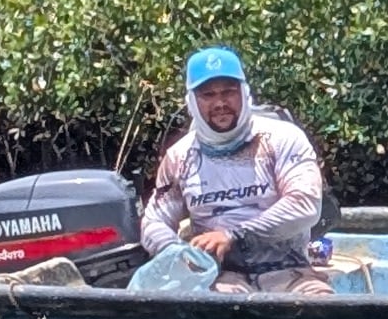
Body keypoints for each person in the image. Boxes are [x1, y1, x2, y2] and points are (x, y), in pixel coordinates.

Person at [142, 46, 336, 294]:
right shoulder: (179, 157)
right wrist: (176, 252)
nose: (220, 103)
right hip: (220, 276)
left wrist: (234, 234)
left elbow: (304, 205)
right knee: (214, 307)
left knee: (321, 307)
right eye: (208, 95)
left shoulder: (283, 138)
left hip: (290, 272)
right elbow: (154, 221)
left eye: (229, 92)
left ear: (244, 93)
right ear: (192, 101)